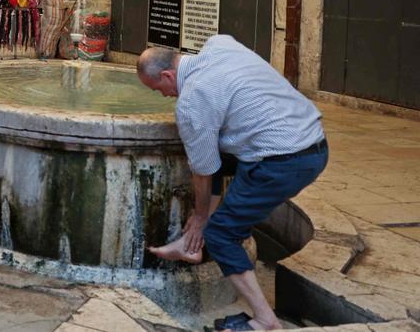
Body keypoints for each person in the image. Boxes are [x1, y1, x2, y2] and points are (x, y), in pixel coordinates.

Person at [137, 35, 327, 332]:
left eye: (158, 88)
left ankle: (266, 320)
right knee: (217, 158)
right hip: (314, 143)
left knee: (221, 234)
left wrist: (200, 219)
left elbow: (202, 172)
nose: (162, 95)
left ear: (167, 75)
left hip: (285, 161)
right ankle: (192, 247)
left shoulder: (191, 102)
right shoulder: (220, 44)